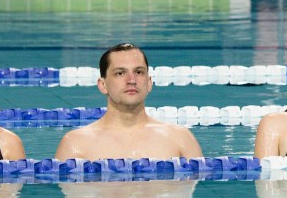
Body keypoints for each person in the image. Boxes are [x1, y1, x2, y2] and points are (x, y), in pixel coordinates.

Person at [54, 43, 203, 160]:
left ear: (149, 82)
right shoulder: (76, 144)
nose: (131, 80)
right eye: (120, 73)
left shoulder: (180, 139)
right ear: (103, 85)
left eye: (139, 72)